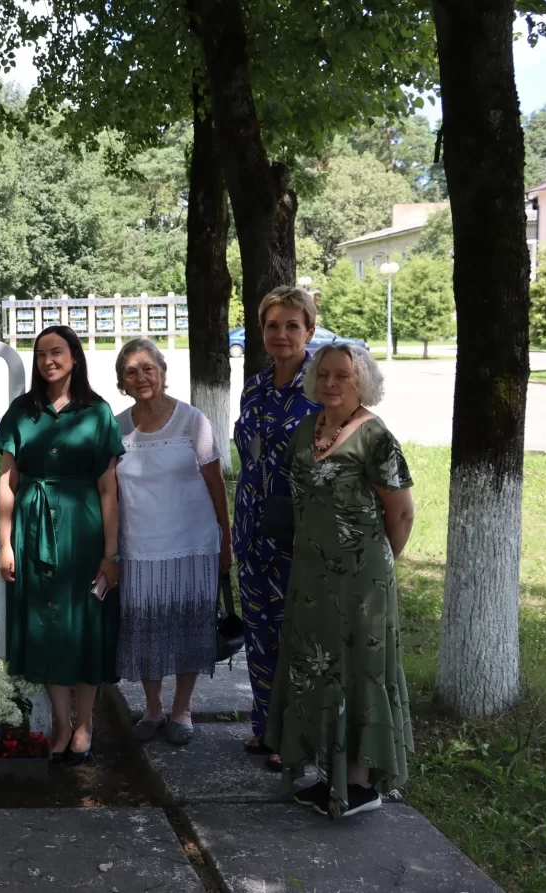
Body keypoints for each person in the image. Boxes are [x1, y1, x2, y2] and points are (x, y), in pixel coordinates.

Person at [266, 342, 416, 819]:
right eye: (324, 374)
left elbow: (401, 513)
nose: (331, 383)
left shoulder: (375, 436)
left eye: (343, 376)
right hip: (310, 575)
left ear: (362, 382)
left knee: (357, 670)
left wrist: (376, 566)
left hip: (361, 580)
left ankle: (361, 783)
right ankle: (331, 772)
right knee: (316, 668)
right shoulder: (306, 428)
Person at [0, 325, 123, 766]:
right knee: (46, 622)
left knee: (85, 622)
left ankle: (85, 724)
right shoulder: (22, 411)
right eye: (41, 353)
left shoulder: (97, 411)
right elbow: (7, 482)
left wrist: (110, 553)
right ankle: (61, 724)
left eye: (57, 351)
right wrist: (6, 544)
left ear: (75, 357)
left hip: (83, 531)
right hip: (33, 529)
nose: (48, 360)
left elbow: (108, 488)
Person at [112, 338, 231, 746]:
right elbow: (108, 491)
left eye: (149, 368)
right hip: (138, 546)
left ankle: (182, 709)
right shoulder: (117, 427)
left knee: (188, 624)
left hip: (192, 544)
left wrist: (226, 539)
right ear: (122, 382)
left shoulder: (192, 421)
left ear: (163, 372)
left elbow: (216, 483)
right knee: (145, 627)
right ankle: (153, 708)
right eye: (131, 372)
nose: (141, 377)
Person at [232, 286, 322, 768]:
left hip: (298, 532)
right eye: (272, 325)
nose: (281, 334)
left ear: (310, 330)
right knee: (260, 632)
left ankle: (298, 737)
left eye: (292, 325)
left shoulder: (323, 387)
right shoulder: (255, 387)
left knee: (297, 635)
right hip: (252, 529)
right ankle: (266, 726)